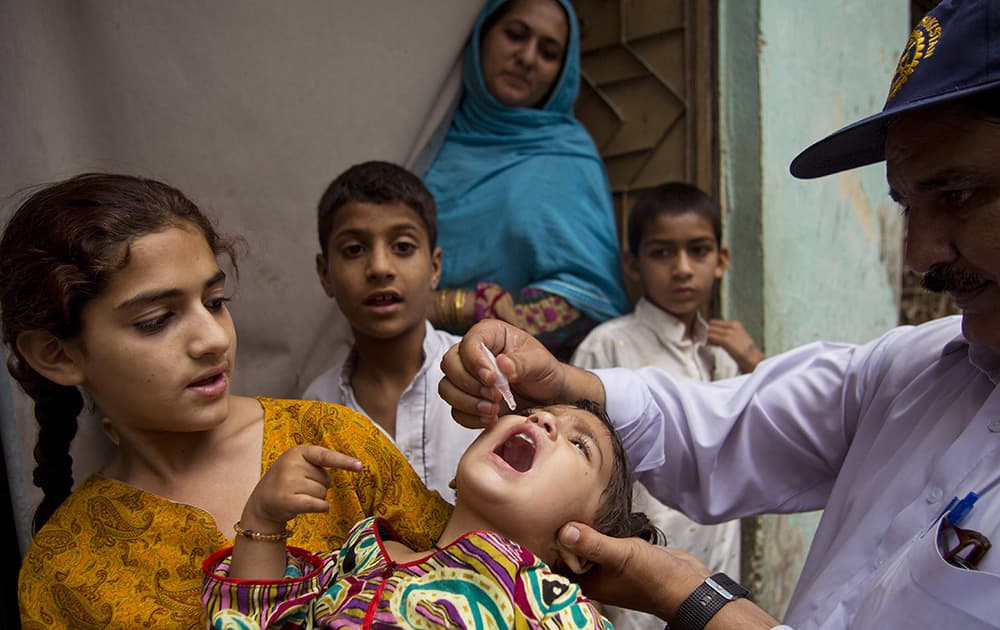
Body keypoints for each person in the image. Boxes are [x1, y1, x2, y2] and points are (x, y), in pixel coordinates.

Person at [438, 1, 1000, 628]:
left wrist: (697, 599)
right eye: (904, 203)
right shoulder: (915, 371)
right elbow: (725, 426)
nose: (919, 255)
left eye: (960, 195)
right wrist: (565, 383)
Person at [2, 173, 452, 628]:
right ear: (56, 354)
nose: (214, 340)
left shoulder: (332, 441)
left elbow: (486, 578)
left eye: (216, 301)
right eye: (157, 320)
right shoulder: (64, 570)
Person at [202, 401, 656, 628]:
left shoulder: (558, 611)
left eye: (580, 446)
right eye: (531, 413)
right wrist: (262, 521)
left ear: (580, 547)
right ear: (456, 480)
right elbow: (258, 618)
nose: (542, 421)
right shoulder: (362, 555)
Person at [570, 182, 762, 629]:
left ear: (722, 259)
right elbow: (577, 472)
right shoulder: (607, 348)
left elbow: (763, 440)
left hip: (716, 568)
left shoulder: (725, 352)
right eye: (662, 253)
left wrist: (754, 361)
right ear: (632, 263)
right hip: (633, 585)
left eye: (698, 251)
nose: (682, 269)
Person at [420, 0, 630, 360]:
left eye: (549, 53)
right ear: (482, 36)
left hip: (511, 384)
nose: (528, 57)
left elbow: (591, 303)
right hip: (394, 368)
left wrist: (460, 306)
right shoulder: (423, 135)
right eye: (515, 35)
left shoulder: (568, 157)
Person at [302, 161, 478, 502]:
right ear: (325, 274)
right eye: (354, 250)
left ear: (435, 267)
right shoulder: (316, 407)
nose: (380, 268)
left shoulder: (482, 377)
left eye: (403, 247)